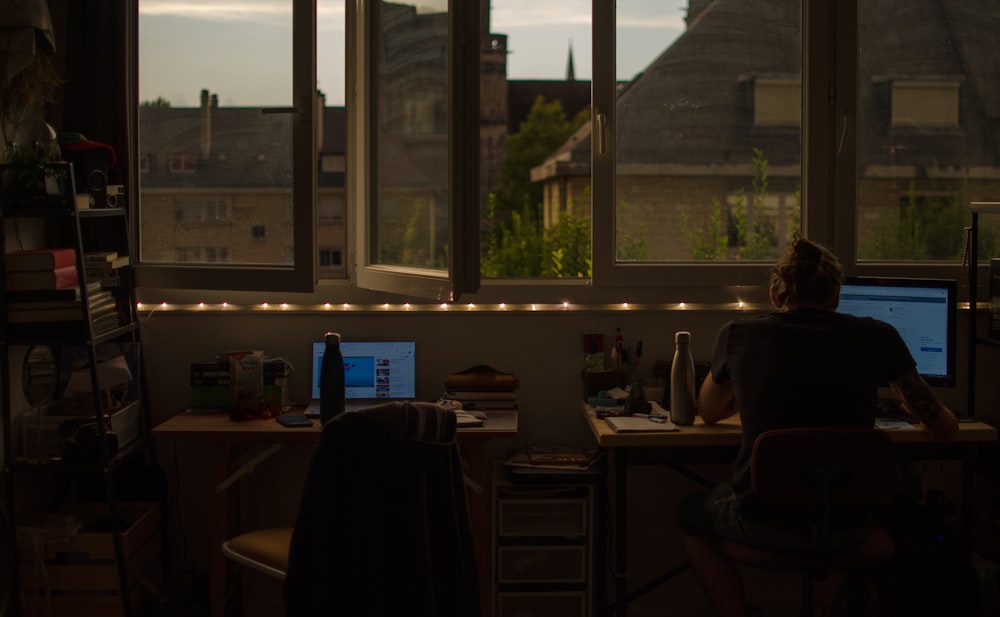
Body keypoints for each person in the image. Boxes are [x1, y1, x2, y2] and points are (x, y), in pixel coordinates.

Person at [678, 237, 959, 617]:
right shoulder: (878, 335)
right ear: (835, 297)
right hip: (849, 523)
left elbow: (708, 412)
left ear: (776, 296)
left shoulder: (738, 334)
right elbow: (944, 429)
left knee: (691, 514)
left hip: (761, 520)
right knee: (907, 510)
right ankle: (826, 601)